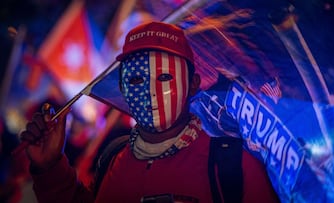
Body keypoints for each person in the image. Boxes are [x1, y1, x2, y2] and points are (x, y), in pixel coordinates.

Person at [20, 21, 279, 203]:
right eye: (135, 80)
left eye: (165, 77)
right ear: (122, 88)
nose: (151, 93)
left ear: (193, 85)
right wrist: (50, 165)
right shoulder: (112, 158)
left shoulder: (234, 166)